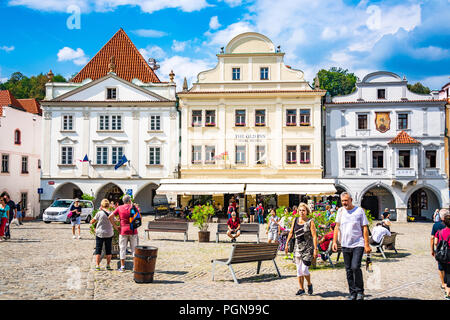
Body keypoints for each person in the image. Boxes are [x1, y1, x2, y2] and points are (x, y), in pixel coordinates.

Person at [332, 192, 371, 300]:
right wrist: (334, 242)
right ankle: (352, 293)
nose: (344, 203)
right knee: (348, 270)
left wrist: (366, 244)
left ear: (351, 200)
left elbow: (364, 228)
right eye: (343, 201)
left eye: (346, 200)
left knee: (355, 267)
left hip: (358, 244)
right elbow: (336, 227)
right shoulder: (340, 211)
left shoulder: (359, 211)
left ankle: (360, 292)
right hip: (345, 244)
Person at [285, 203, 318, 296]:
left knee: (304, 270)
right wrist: (286, 244)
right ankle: (301, 288)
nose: (301, 212)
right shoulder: (295, 220)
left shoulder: (310, 222)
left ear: (307, 211)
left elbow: (314, 236)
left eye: (303, 210)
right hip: (297, 248)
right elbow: (291, 233)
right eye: (300, 210)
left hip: (308, 248)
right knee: (298, 270)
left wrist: (315, 249)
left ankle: (309, 284)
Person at [109, 195, 138, 272]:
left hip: (123, 230)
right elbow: (139, 218)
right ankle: (135, 267)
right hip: (133, 231)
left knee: (122, 249)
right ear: (129, 201)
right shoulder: (134, 207)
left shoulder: (119, 208)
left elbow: (110, 217)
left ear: (123, 201)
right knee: (134, 249)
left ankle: (122, 267)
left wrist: (115, 226)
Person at [91, 199, 114, 271]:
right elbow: (115, 220)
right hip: (109, 233)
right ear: (108, 205)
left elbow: (92, 221)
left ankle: (97, 265)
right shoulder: (111, 213)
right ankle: (108, 265)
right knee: (108, 250)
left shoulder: (99, 213)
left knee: (98, 249)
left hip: (100, 233)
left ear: (101, 205)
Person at [431, 208, 450, 292]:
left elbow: (433, 240)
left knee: (441, 268)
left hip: (441, 251)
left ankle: (443, 284)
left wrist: (433, 250)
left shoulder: (436, 226)